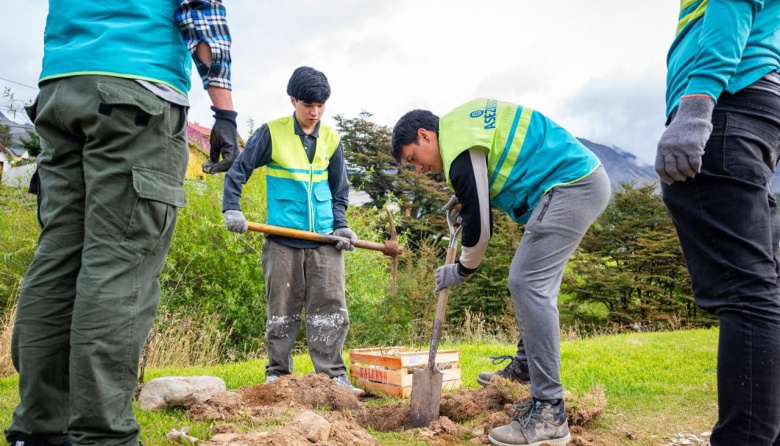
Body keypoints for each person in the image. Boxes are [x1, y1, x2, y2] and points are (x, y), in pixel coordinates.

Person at [5, 1, 238, 445]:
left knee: (57, 261)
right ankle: (102, 436)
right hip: (135, 90)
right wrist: (224, 111)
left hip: (60, 88)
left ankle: (37, 431)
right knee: (119, 264)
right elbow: (202, 16)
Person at [392, 99, 611, 446]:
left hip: (571, 186)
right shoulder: (462, 128)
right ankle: (525, 369)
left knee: (526, 282)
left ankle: (550, 411)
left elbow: (480, 229)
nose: (417, 169)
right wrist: (466, 193)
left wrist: (461, 270)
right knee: (533, 284)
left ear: (424, 135)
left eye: (412, 158)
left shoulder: (459, 145)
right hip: (575, 183)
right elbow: (486, 181)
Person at [655, 1, 780, 444]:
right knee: (764, 287)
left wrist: (694, 107)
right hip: (755, 109)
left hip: (728, 106)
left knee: (747, 292)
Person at [222, 66, 364, 396]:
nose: (314, 113)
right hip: (283, 239)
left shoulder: (332, 138)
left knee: (331, 309)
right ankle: (278, 375)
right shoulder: (272, 132)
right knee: (282, 310)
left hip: (326, 240)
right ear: (293, 100)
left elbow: (339, 189)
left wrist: (341, 225)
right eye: (308, 105)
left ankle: (332, 377)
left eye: (321, 106)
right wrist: (232, 207)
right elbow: (239, 170)